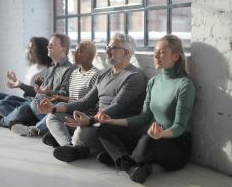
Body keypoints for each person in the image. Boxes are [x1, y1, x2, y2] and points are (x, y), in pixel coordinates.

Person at [94, 34, 196, 184]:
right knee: (104, 129)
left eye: (162, 52)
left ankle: (124, 160)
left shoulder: (184, 85)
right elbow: (144, 117)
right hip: (153, 136)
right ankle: (131, 165)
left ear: (175, 56)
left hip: (177, 146)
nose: (156, 55)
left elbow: (180, 127)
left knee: (147, 141)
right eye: (155, 51)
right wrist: (113, 121)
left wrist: (161, 134)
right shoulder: (154, 81)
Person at [37, 33, 147, 162]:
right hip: (96, 120)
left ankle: (76, 148)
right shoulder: (104, 74)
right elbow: (85, 102)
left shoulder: (134, 76)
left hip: (113, 127)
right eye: (107, 46)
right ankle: (71, 146)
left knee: (83, 130)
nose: (107, 50)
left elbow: (118, 107)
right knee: (53, 117)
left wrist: (90, 120)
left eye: (112, 47)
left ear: (126, 52)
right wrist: (53, 108)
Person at [12, 40, 100, 137]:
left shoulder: (96, 75)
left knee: (48, 108)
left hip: (83, 115)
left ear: (90, 56)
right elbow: (71, 98)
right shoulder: (75, 73)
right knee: (38, 104)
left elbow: (87, 102)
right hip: (71, 110)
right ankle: (47, 129)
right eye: (75, 50)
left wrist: (58, 105)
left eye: (79, 51)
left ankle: (35, 129)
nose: (74, 53)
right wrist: (56, 97)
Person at [0, 33, 76, 129]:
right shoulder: (51, 69)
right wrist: (29, 87)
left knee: (26, 107)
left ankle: (2, 120)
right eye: (48, 44)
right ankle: (16, 119)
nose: (48, 47)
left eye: (52, 45)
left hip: (45, 107)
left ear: (63, 49)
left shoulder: (70, 69)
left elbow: (66, 96)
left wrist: (49, 92)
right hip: (35, 102)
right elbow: (38, 92)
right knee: (0, 103)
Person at [0, 37, 52, 126]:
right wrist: (16, 81)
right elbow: (27, 86)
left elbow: (37, 93)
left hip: (33, 102)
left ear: (41, 50)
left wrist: (21, 85)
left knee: (1, 104)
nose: (29, 51)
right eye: (29, 48)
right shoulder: (33, 66)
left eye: (32, 49)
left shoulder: (46, 71)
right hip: (25, 98)